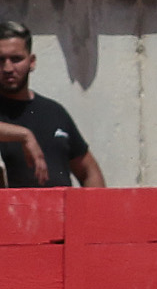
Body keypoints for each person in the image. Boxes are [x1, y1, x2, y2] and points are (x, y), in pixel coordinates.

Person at [0, 21, 104, 189]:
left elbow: (88, 171)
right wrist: (24, 135)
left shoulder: (54, 112)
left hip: (60, 213)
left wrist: (97, 212)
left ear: (31, 62)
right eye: (0, 60)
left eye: (16, 59)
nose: (7, 68)